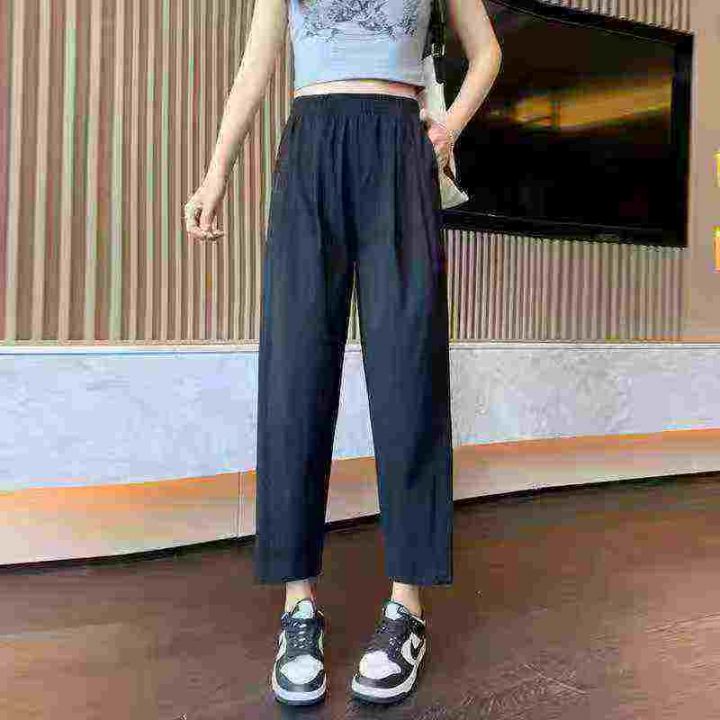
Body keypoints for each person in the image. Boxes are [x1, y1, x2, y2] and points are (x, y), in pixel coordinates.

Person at [184, 0, 501, 707]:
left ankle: (407, 606)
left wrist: (447, 128)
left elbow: (488, 52)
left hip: (398, 145)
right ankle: (297, 606)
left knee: (409, 373)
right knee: (295, 377)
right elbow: (256, 66)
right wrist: (216, 172)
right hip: (313, 143)